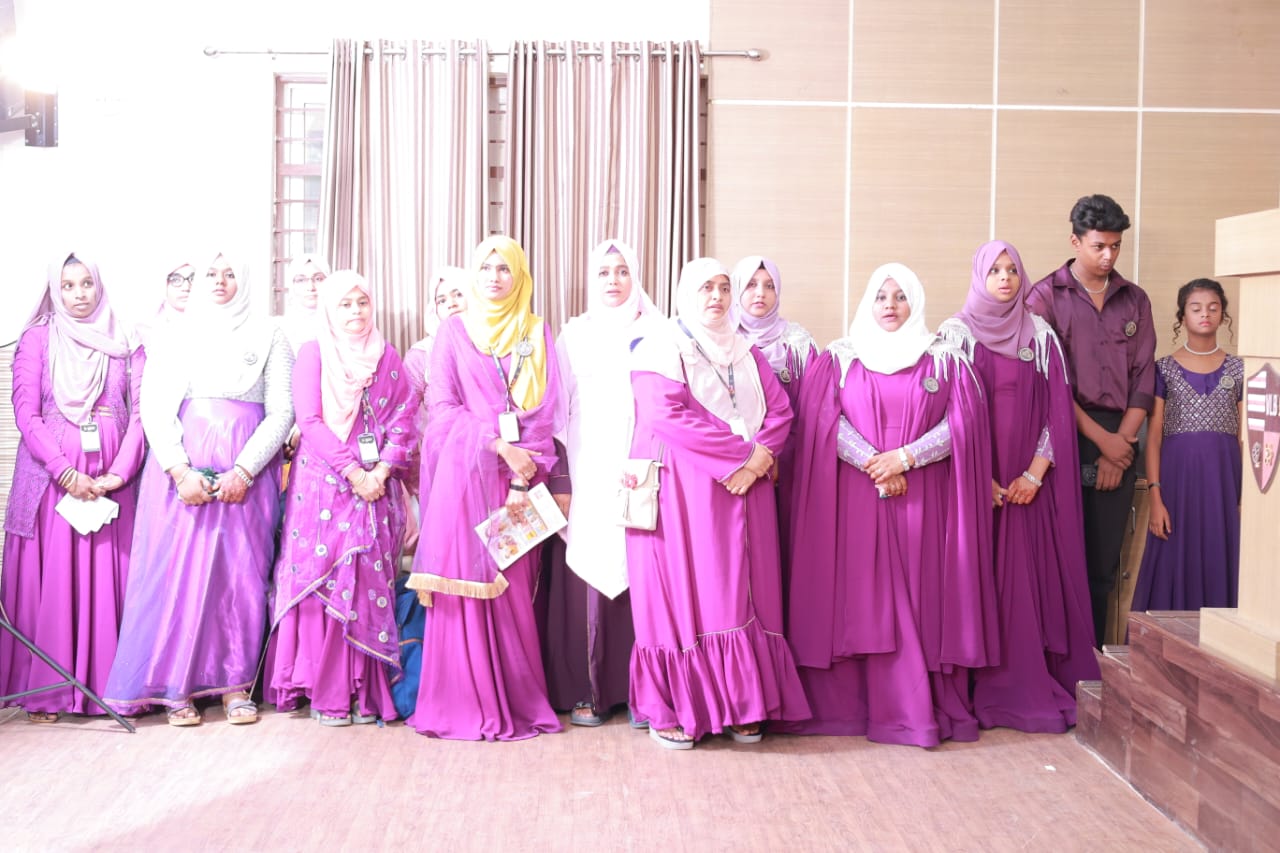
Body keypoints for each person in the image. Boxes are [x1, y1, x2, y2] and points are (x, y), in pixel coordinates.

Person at [785, 263, 997, 747]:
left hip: (926, 500)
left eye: (901, 297)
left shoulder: (945, 361)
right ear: (868, 301)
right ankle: (852, 709)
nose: (890, 306)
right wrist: (873, 464)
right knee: (860, 601)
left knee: (921, 601)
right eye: (882, 296)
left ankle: (912, 708)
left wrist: (903, 459)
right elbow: (823, 421)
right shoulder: (840, 358)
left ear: (916, 302)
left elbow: (961, 427)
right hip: (858, 501)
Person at [104, 251, 294, 726]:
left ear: (245, 279)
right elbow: (155, 407)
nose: (221, 282)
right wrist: (178, 470)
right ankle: (175, 688)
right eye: (211, 273)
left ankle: (234, 685)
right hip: (180, 478)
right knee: (177, 576)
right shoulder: (175, 335)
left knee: (240, 579)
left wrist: (245, 471)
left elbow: (283, 411)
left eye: (231, 273)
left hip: (246, 479)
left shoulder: (269, 334)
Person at [626, 257, 809, 749]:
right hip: (684, 491)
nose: (717, 297)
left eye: (724, 287)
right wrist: (741, 458)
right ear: (686, 291)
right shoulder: (660, 346)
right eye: (706, 287)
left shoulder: (746, 350)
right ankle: (678, 706)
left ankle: (742, 704)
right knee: (691, 594)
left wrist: (758, 459)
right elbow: (665, 415)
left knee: (737, 594)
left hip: (744, 490)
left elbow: (780, 410)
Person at [406, 236, 563, 741]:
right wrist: (499, 446)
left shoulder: (537, 331)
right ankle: (462, 703)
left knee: (513, 593)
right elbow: (445, 410)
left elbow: (548, 410)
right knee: (464, 594)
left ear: (520, 274)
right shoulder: (453, 332)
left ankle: (514, 703)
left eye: (505, 267)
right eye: (486, 267)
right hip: (465, 478)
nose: (495, 276)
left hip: (520, 484)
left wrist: (523, 469)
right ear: (474, 276)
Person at [940, 241, 1099, 733]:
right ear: (978, 277)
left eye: (1013, 270)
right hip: (974, 483)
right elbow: (947, 413)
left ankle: (1023, 682)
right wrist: (976, 476)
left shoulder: (1040, 334)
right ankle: (970, 688)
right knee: (975, 576)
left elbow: (1056, 411)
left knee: (1024, 582)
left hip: (1029, 483)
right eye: (995, 271)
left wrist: (1034, 473)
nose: (1005, 279)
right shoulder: (954, 335)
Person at [0, 253, 145, 722]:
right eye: (68, 286)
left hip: (111, 485)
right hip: (49, 483)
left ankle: (111, 686)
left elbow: (142, 413)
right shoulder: (36, 339)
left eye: (87, 284)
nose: (79, 294)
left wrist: (118, 474)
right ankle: (44, 689)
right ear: (54, 290)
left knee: (108, 575)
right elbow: (27, 413)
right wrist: (65, 471)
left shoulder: (125, 339)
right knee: (53, 582)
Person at [267, 270, 415, 725]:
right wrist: (353, 470)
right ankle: (329, 692)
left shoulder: (388, 356)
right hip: (324, 482)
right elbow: (308, 420)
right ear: (330, 309)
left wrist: (383, 469)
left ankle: (365, 692)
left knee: (368, 579)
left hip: (376, 484)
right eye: (345, 304)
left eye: (362, 303)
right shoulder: (313, 353)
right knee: (323, 578)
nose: (355, 312)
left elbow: (406, 415)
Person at [1026, 194, 1155, 648]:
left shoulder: (1134, 299)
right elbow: (1049, 382)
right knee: (1060, 560)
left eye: (1116, 246)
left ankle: (1096, 668)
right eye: (1099, 245)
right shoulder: (1044, 296)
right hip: (1061, 435)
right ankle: (1058, 665)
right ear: (1075, 241)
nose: (1108, 256)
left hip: (1122, 435)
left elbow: (1144, 377)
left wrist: (1120, 445)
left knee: (1104, 566)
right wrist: (1103, 441)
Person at [543, 239, 660, 726]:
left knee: (642, 574)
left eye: (622, 271)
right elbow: (555, 411)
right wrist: (564, 478)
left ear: (635, 278)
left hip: (645, 468)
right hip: (588, 469)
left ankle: (640, 691)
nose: (613, 281)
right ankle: (586, 689)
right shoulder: (571, 336)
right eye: (603, 273)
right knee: (586, 572)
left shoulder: (660, 332)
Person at [1131, 279, 1242, 612]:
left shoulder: (1240, 368)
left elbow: (1246, 438)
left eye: (1213, 307)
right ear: (1182, 316)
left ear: (1223, 315)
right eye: (1196, 308)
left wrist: (1247, 499)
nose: (1205, 314)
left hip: (1224, 482)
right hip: (1176, 484)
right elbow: (1153, 437)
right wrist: (1155, 496)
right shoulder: (1163, 368)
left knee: (1223, 554)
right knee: (1174, 560)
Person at [730, 255, 818, 601]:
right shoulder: (722, 338)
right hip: (734, 461)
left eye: (768, 286)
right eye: (751, 284)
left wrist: (777, 456)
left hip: (788, 462)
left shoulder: (797, 342)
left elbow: (811, 407)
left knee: (781, 543)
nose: (760, 293)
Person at [402, 266, 469, 494]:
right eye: (441, 300)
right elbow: (404, 419)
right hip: (442, 465)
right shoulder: (421, 356)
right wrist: (415, 476)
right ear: (435, 310)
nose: (451, 304)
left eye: (458, 294)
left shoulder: (495, 346)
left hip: (492, 458)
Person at [133, 256, 197, 350]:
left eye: (193, 279)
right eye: (176, 280)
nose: (186, 287)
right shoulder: (143, 331)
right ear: (164, 285)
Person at [279, 254, 331, 355]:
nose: (310, 287)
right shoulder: (280, 330)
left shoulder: (342, 324)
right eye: (301, 280)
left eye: (318, 279)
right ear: (291, 285)